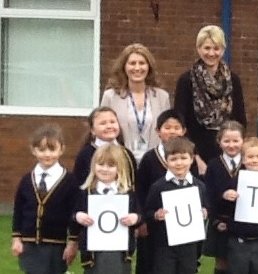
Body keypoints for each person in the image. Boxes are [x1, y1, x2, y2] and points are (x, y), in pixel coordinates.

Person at [175, 25, 247, 174]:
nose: (211, 53)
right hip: (196, 154)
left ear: (223, 49)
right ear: (198, 48)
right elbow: (181, 122)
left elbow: (240, 120)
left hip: (227, 153)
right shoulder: (186, 80)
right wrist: (195, 158)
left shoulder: (233, 80)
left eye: (216, 48)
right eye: (207, 48)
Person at [11, 124, 80, 274]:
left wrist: (73, 242)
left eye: (52, 149)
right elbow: (18, 211)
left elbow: (74, 214)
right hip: (30, 243)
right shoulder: (26, 180)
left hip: (56, 244)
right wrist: (16, 238)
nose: (47, 154)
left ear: (61, 149)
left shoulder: (70, 181)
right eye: (42, 150)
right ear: (33, 150)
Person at [133, 109, 190, 274]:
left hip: (181, 224)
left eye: (177, 127)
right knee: (149, 263)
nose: (172, 131)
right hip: (153, 223)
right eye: (167, 127)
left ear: (184, 131)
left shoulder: (188, 159)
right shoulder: (150, 158)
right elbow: (140, 191)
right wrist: (142, 220)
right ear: (158, 131)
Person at [143, 137, 209, 274]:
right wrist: (156, 215)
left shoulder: (199, 186)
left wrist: (205, 212)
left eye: (183, 158)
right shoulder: (158, 186)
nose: (179, 163)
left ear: (191, 159)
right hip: (165, 245)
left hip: (189, 245)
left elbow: (207, 207)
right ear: (167, 161)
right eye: (173, 159)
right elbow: (148, 212)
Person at [73, 145, 142, 274]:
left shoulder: (127, 193)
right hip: (94, 254)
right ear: (94, 166)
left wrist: (135, 218)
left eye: (111, 165)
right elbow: (73, 215)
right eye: (101, 164)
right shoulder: (86, 192)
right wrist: (78, 216)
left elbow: (139, 215)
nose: (105, 169)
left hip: (119, 252)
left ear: (119, 168)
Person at [101, 43, 171, 162]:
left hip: (153, 162)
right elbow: (102, 130)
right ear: (124, 67)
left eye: (142, 63)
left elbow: (167, 132)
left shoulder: (162, 97)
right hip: (120, 161)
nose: (137, 68)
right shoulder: (110, 96)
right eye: (132, 63)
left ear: (149, 67)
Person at [220, 137, 258, 274]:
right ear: (243, 159)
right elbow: (224, 206)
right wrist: (226, 195)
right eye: (250, 156)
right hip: (238, 238)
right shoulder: (236, 180)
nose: (255, 160)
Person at [203, 120, 245, 274]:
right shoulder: (214, 165)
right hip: (221, 219)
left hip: (243, 221)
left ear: (243, 141)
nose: (231, 145)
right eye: (226, 141)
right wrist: (215, 220)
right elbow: (208, 194)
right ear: (219, 142)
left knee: (241, 261)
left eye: (236, 140)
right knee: (222, 261)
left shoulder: (249, 164)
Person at [74, 106, 137, 188]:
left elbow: (133, 182)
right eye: (103, 123)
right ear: (92, 130)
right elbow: (79, 183)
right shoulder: (85, 155)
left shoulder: (126, 154)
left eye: (112, 122)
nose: (109, 126)